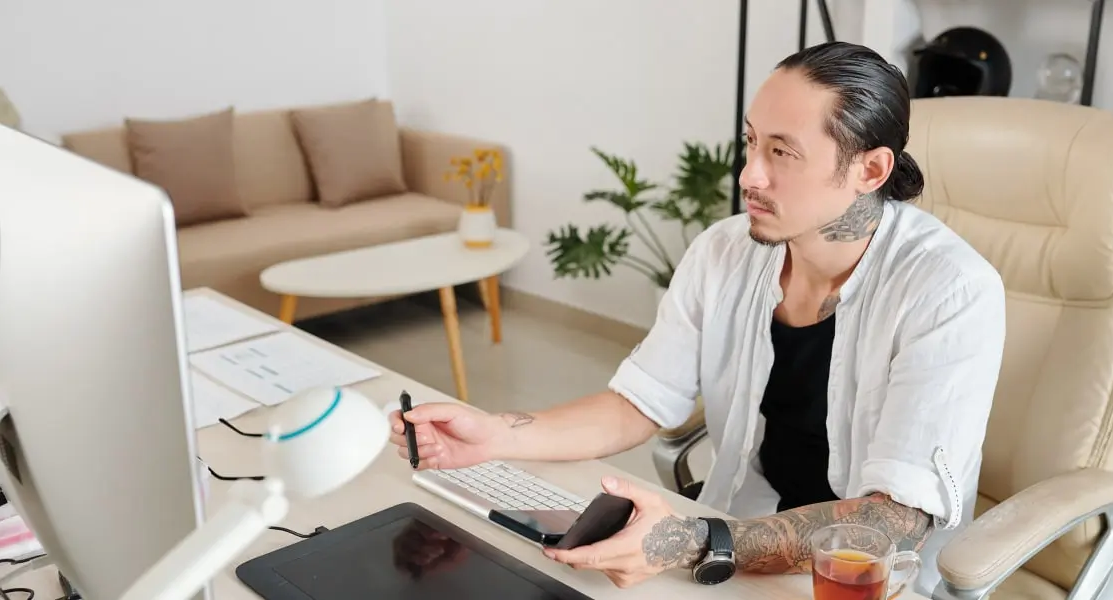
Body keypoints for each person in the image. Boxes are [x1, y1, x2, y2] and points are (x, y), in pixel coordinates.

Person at [389, 41, 1006, 594]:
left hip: (869, 577)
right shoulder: (726, 250)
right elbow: (640, 402)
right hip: (745, 528)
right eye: (751, 142)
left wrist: (694, 542)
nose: (749, 175)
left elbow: (892, 520)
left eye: (782, 153)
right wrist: (496, 434)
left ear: (869, 169)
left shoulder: (950, 291)